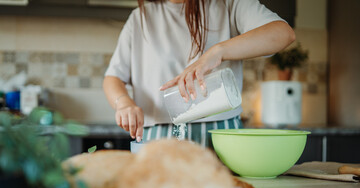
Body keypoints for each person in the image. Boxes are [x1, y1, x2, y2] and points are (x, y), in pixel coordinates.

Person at [103, 0, 295, 147]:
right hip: (157, 136)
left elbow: (282, 34)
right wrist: (124, 103)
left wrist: (217, 52)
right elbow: (113, 77)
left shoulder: (229, 4)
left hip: (221, 136)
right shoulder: (139, 19)